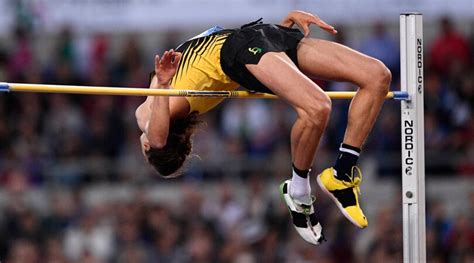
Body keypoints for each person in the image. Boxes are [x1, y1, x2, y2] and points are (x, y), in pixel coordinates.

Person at [135, 10, 391, 245]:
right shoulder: (155, 108)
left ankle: (342, 174)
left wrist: (282, 25)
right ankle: (298, 191)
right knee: (318, 107)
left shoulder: (170, 99)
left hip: (259, 38)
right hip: (243, 49)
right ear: (147, 145)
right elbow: (158, 138)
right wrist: (164, 84)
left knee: (377, 76)